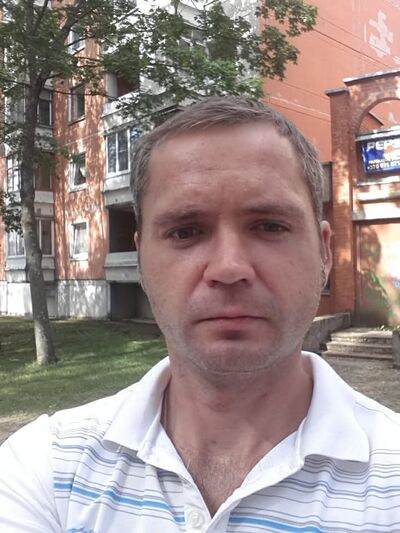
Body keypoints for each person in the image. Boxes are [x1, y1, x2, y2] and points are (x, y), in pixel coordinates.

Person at [1, 96, 400, 533]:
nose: (229, 268)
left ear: (324, 252)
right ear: (142, 259)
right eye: (186, 231)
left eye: (269, 226)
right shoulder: (46, 469)